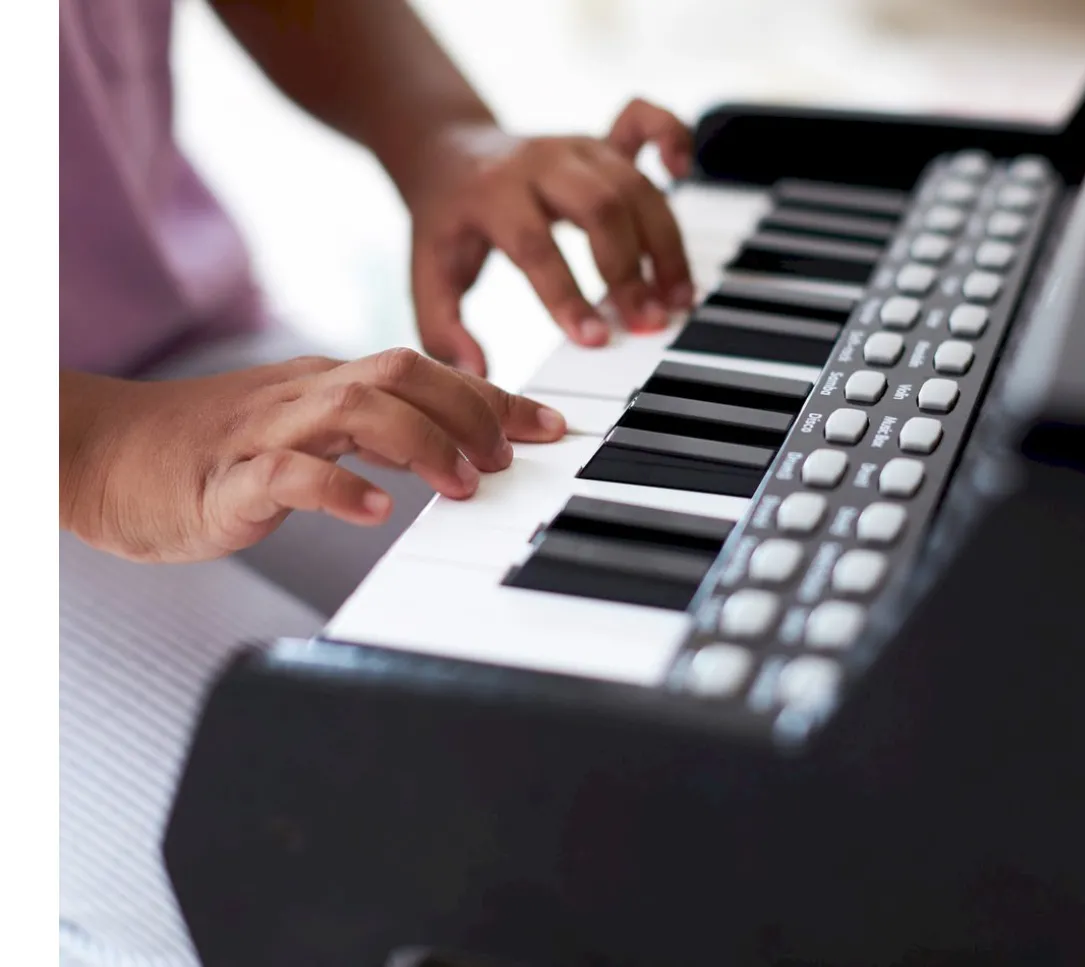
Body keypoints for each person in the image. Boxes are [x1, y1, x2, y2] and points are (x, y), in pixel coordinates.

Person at [59, 1, 695, 964]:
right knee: (345, 865)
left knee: (615, 685)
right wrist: (88, 450)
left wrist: (438, 129)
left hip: (175, 348)